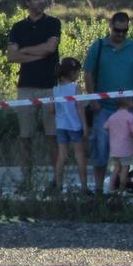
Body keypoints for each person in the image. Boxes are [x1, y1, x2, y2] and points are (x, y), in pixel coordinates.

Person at [83, 11, 133, 193]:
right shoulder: (98, 46)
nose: (120, 34)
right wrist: (93, 97)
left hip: (127, 107)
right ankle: (98, 188)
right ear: (110, 26)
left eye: (124, 31)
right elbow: (88, 72)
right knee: (100, 146)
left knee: (128, 148)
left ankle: (123, 186)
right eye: (117, 30)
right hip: (103, 107)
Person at [6, 0, 61, 182]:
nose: (41, 1)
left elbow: (49, 48)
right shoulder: (18, 27)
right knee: (25, 137)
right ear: (27, 2)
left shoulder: (53, 23)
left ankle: (57, 179)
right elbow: (11, 56)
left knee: (52, 136)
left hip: (49, 86)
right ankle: (26, 179)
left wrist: (25, 51)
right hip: (26, 87)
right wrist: (35, 53)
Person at [52, 57, 89, 193]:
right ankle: (84, 186)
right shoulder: (75, 88)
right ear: (72, 72)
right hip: (74, 126)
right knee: (79, 155)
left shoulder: (55, 89)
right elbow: (80, 107)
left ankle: (58, 185)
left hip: (61, 126)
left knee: (61, 156)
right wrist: (84, 125)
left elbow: (51, 109)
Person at [102, 103, 133, 194]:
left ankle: (111, 188)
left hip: (115, 148)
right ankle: (122, 189)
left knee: (116, 168)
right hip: (126, 148)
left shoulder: (112, 116)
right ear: (129, 103)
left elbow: (105, 127)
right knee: (125, 167)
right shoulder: (130, 117)